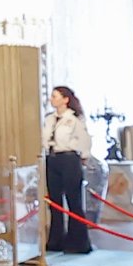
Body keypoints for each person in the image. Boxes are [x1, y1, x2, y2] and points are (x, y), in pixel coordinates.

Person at [45, 86, 95, 256]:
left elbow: (85, 140)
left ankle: (78, 242)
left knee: (73, 201)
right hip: (52, 159)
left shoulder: (74, 119)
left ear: (65, 99)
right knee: (55, 202)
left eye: (55, 96)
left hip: (69, 159)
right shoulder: (49, 119)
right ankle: (56, 240)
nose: (51, 99)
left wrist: (84, 157)